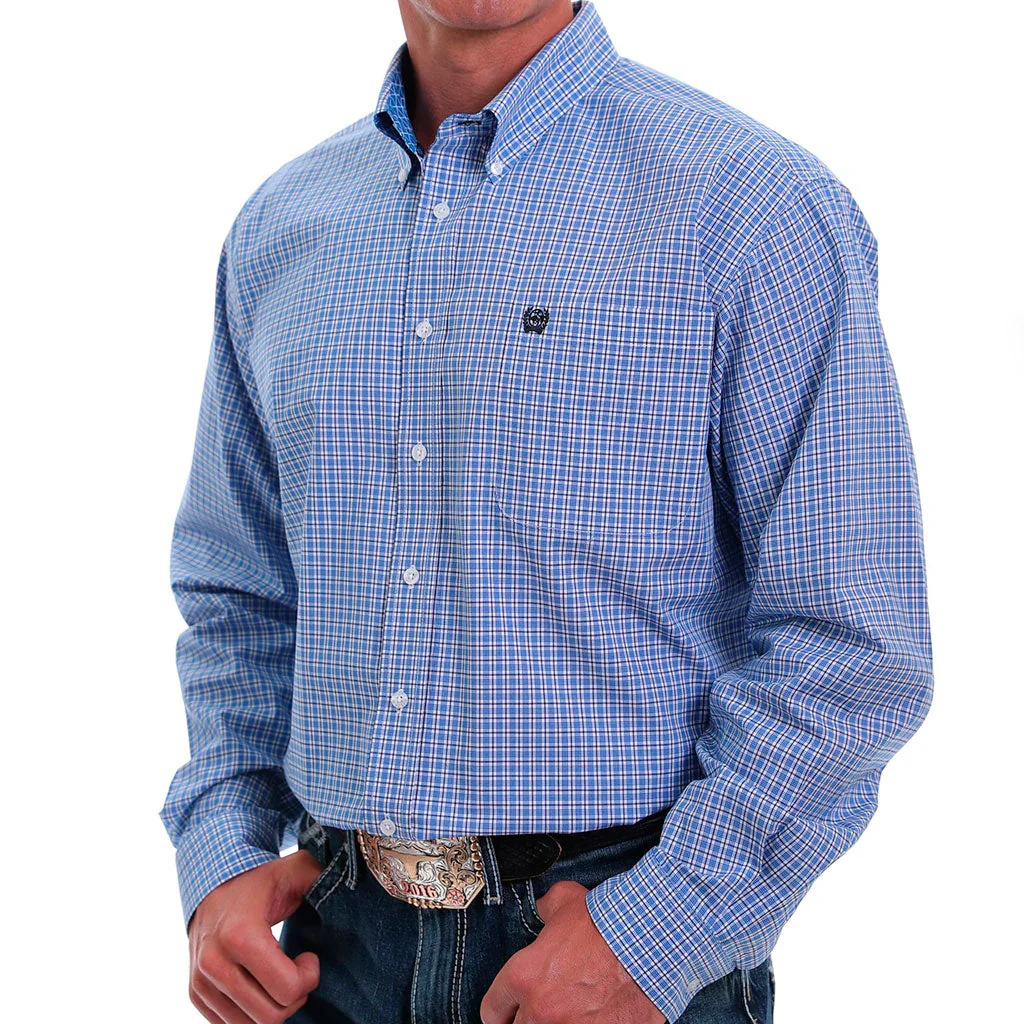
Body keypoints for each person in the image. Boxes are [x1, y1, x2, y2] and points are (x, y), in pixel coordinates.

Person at [160, 1, 934, 1022]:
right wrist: (220, 853)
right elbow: (240, 592)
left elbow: (852, 642)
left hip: (614, 938)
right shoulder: (280, 228)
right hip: (328, 951)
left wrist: (657, 932)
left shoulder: (753, 206)